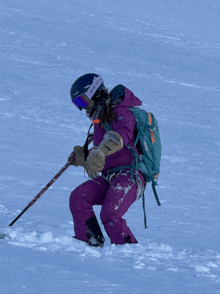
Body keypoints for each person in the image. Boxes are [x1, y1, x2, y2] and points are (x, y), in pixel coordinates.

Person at [68, 73, 145, 247]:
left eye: (83, 102)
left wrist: (100, 150)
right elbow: (105, 155)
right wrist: (84, 157)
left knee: (110, 213)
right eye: (78, 104)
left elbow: (121, 135)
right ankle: (89, 244)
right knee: (79, 197)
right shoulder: (99, 120)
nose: (83, 108)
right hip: (110, 176)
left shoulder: (120, 111)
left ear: (95, 94)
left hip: (130, 175)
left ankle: (129, 252)